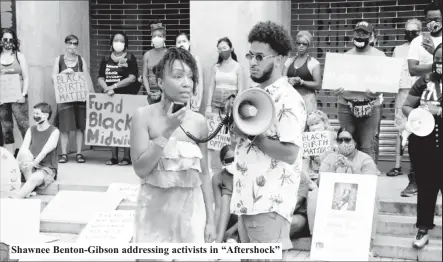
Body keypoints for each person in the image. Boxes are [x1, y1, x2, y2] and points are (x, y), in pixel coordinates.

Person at [228, 21, 307, 260]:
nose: (252, 61)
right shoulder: (255, 95)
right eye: (250, 55)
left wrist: (250, 135)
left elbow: (290, 153)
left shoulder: (288, 100)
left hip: (268, 205)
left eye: (260, 56)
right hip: (248, 202)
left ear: (280, 59)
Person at [130, 47, 216, 243]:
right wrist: (167, 131)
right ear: (160, 82)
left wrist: (210, 219)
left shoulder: (199, 122)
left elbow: (204, 173)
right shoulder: (143, 116)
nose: (186, 83)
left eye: (190, 77)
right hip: (153, 217)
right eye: (178, 76)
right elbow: (141, 169)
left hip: (191, 215)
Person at [307, 128, 379, 246]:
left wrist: (353, 168)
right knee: (313, 195)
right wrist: (333, 168)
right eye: (340, 140)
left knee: (373, 198)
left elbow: (369, 184)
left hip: (356, 196)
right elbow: (320, 183)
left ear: (355, 142)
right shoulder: (330, 158)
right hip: (334, 196)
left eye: (347, 140)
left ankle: (368, 244)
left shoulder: (365, 159)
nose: (343, 143)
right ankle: (315, 238)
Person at [402, 43, 442, 249]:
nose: (440, 64)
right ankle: (423, 229)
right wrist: (421, 113)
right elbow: (406, 106)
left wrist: (439, 111)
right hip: (423, 144)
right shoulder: (424, 80)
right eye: (437, 60)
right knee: (426, 188)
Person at [334, 21, 386, 163]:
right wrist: (336, 89)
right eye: (358, 32)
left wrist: (378, 91)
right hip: (346, 105)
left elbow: (387, 81)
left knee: (367, 145)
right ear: (353, 34)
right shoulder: (345, 56)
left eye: (364, 33)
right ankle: (345, 177)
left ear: (370, 36)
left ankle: (366, 180)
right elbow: (336, 81)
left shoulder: (380, 56)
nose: (360, 35)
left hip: (370, 105)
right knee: (346, 142)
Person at [405, 2, 442, 197]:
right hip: (420, 94)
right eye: (429, 20)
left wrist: (434, 56)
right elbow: (413, 69)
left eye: (437, 19)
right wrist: (435, 65)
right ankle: (415, 180)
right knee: (417, 137)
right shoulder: (417, 41)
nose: (433, 23)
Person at [387, 19, 422, 195]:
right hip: (402, 92)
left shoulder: (423, 46)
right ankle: (397, 165)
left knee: (420, 128)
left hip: (420, 91)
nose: (410, 34)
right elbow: (393, 71)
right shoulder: (398, 49)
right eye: (407, 30)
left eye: (414, 31)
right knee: (401, 130)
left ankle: (420, 168)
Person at [204, 37, 245, 177]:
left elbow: (240, 89)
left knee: (231, 136)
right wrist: (208, 105)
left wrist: (237, 107)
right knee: (215, 137)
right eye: (220, 48)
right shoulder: (215, 67)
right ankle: (214, 169)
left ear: (231, 49)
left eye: (225, 48)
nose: (222, 51)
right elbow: (211, 87)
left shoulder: (238, 67)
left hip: (231, 105)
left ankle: (231, 165)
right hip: (216, 104)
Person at [97, 31, 139, 166]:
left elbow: (132, 78)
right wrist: (106, 88)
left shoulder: (131, 57)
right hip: (109, 98)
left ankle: (127, 157)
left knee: (126, 126)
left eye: (121, 40)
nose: (118, 43)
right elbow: (100, 78)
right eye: (116, 40)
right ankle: (113, 156)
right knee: (112, 126)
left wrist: (114, 86)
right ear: (112, 42)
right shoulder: (105, 58)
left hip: (126, 96)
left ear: (125, 43)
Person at [52, 35, 93, 164]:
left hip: (80, 98)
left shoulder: (81, 60)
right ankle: (64, 153)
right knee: (65, 127)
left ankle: (79, 153)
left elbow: (86, 77)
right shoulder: (59, 60)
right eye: (70, 43)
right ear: (65, 44)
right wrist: (63, 73)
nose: (72, 46)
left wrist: (91, 94)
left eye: (75, 44)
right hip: (65, 99)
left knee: (80, 127)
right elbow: (53, 78)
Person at [11, 103, 59, 199]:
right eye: (34, 113)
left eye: (37, 113)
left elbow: (44, 152)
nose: (35, 116)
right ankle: (27, 189)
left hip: (46, 168)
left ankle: (15, 198)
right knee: (23, 152)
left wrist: (33, 164)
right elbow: (23, 148)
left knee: (35, 178)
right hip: (30, 166)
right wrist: (17, 164)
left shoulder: (54, 131)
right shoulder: (31, 129)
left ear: (46, 115)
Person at [0, 28, 30, 155]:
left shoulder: (19, 56)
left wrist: (23, 94)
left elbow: (26, 76)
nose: (8, 42)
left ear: (14, 41)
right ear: (1, 41)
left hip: (18, 98)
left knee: (23, 126)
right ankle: (10, 156)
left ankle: (29, 153)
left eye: (10, 39)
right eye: (5, 39)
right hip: (2, 99)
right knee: (6, 128)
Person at [283, 31, 322, 113]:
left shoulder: (313, 63)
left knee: (306, 124)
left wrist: (302, 82)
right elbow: (282, 80)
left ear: (308, 46)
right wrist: (288, 81)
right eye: (299, 43)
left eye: (304, 44)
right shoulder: (289, 61)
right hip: (291, 99)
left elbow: (318, 85)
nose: (301, 46)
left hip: (307, 100)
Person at [302, 110, 337, 183]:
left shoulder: (333, 136)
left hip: (331, 173)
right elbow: (305, 161)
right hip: (314, 175)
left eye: (317, 123)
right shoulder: (307, 140)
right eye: (311, 125)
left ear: (324, 123)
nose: (314, 127)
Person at [212, 145, 239, 243]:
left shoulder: (243, 175)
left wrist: (229, 232)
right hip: (226, 219)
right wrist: (215, 231)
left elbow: (247, 212)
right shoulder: (217, 177)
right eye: (231, 159)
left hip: (241, 219)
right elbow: (218, 208)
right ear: (223, 162)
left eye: (237, 159)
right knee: (225, 197)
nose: (235, 162)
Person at [176, 33, 204, 112]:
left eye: (184, 41)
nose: (182, 44)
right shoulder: (174, 61)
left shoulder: (195, 60)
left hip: (191, 98)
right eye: (179, 42)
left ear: (189, 42)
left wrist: (198, 101)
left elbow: (199, 82)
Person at [142, 22, 167, 105]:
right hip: (151, 94)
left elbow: (170, 75)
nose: (156, 38)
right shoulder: (147, 55)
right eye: (154, 36)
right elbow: (145, 76)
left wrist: (162, 91)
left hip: (166, 93)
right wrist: (149, 92)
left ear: (164, 38)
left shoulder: (169, 54)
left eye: (159, 36)